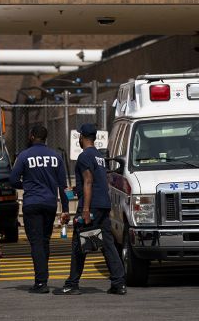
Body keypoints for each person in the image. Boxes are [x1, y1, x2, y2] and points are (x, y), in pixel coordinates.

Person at [60, 123, 127, 296]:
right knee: (108, 245)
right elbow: (96, 181)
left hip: (91, 206)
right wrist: (76, 191)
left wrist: (85, 209)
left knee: (78, 243)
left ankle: (72, 284)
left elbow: (88, 181)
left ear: (82, 137)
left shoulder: (84, 157)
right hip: (103, 204)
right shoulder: (98, 156)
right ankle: (118, 283)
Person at [10, 125, 70, 294]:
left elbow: (13, 179)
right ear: (46, 138)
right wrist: (65, 209)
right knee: (44, 241)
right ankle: (44, 276)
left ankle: (41, 282)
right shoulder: (56, 157)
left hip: (32, 203)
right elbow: (63, 186)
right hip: (50, 204)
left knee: (36, 243)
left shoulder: (24, 156)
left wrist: (26, 185)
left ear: (31, 136)